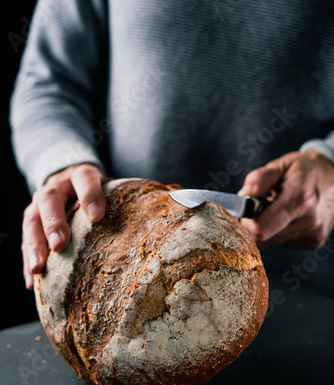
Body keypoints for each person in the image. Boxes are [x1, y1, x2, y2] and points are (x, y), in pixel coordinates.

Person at [10, 0, 334, 291]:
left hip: (316, 290)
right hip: (125, 279)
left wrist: (329, 161)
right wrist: (64, 162)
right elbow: (49, 82)